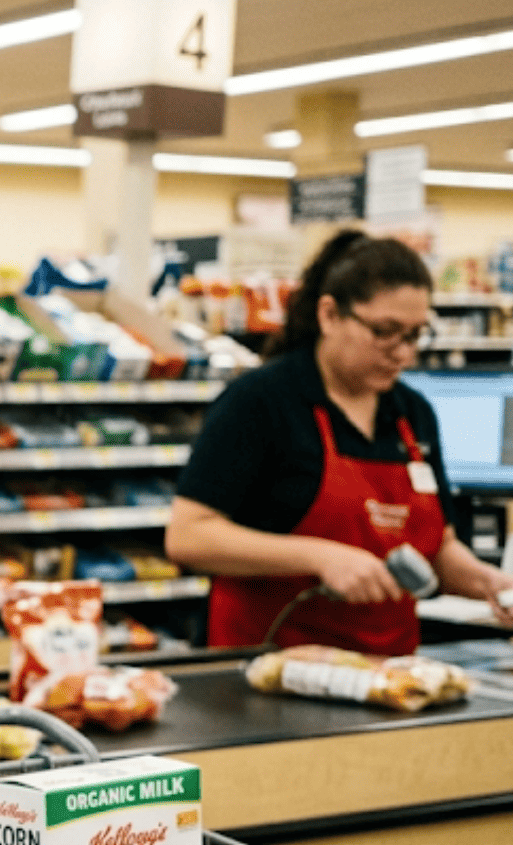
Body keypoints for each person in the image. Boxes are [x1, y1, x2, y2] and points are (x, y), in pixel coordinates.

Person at [168, 229, 513, 653]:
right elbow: (189, 536)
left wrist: (491, 584)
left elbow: (437, 549)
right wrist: (321, 557)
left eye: (414, 335)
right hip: (269, 668)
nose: (403, 354)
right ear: (329, 315)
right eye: (385, 331)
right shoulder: (262, 402)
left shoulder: (413, 413)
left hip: (389, 677)